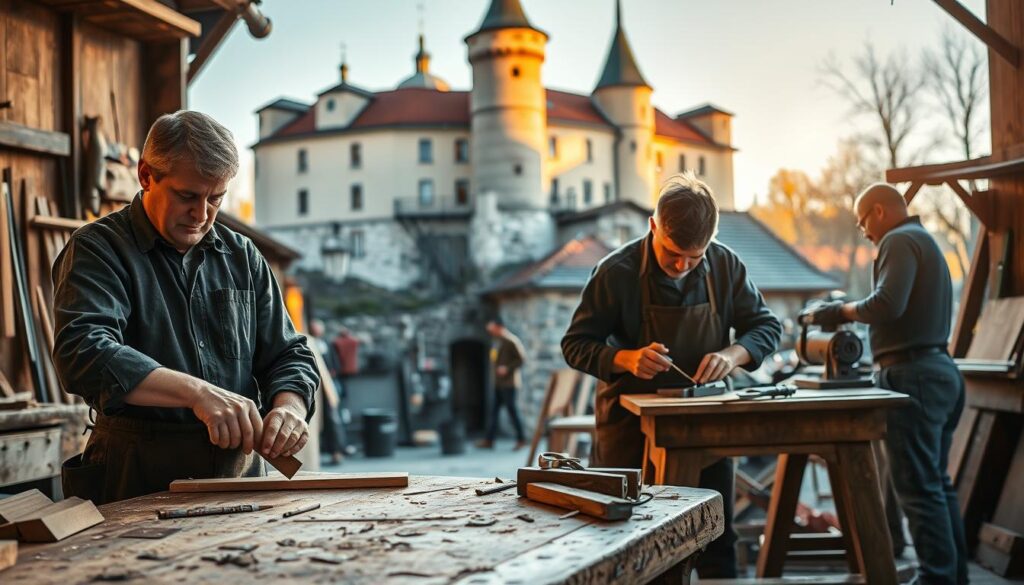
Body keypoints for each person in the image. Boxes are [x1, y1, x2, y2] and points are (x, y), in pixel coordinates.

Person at [52, 110, 319, 504]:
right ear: (146, 176)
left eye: (216, 199)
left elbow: (288, 353)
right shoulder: (98, 249)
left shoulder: (241, 254)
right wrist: (198, 394)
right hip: (136, 475)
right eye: (187, 196)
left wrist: (290, 407)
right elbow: (84, 352)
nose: (202, 215)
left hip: (240, 477)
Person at [561, 172, 782, 578]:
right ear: (653, 227)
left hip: (704, 429)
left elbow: (767, 327)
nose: (682, 266)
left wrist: (733, 355)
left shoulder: (725, 265)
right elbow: (574, 345)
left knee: (716, 535)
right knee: (628, 539)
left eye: (694, 257)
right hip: (628, 432)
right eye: (672, 253)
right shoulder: (615, 272)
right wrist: (625, 358)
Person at [803, 183, 968, 585]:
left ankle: (937, 578)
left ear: (879, 211)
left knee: (917, 488)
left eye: (862, 221)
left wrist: (837, 311)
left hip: (913, 377)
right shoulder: (923, 241)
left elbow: (887, 303)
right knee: (935, 485)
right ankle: (952, 575)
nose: (863, 231)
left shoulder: (898, 240)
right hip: (938, 371)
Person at [476, 319, 528, 450]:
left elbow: (521, 359)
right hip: (498, 384)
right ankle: (489, 440)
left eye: (492, 329)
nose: (491, 332)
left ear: (499, 327)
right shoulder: (497, 341)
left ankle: (521, 439)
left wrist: (507, 368)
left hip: (509, 383)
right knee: (493, 412)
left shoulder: (511, 341)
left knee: (512, 411)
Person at [309, 319, 347, 465]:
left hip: (328, 385)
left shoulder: (325, 344)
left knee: (333, 417)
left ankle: (337, 451)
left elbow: (334, 364)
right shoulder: (310, 343)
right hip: (316, 385)